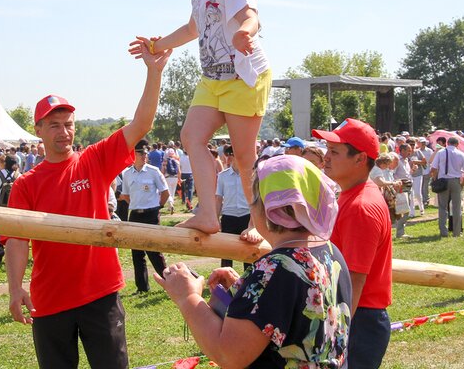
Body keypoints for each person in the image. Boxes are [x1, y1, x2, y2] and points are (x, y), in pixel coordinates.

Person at [2, 43, 170, 369]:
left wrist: (154, 71)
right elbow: (17, 240)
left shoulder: (93, 161)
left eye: (68, 124)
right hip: (50, 301)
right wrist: (14, 288)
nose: (64, 132)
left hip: (100, 293)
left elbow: (141, 125)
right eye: (54, 125)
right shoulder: (26, 184)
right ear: (38, 130)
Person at [131, 0, 271, 234]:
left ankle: (260, 224)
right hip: (212, 78)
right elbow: (191, 30)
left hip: (243, 76)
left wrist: (244, 32)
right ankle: (208, 214)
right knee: (191, 137)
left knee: (244, 156)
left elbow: (252, 16)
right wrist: (157, 45)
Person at [155, 154, 351, 368]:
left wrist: (187, 296)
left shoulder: (274, 269)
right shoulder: (330, 251)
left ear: (268, 208)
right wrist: (249, 290)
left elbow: (229, 355)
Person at [311, 119, 391, 368]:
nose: (325, 157)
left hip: (357, 318)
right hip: (354, 316)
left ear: (360, 159)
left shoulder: (361, 208)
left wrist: (337, 333)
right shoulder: (352, 194)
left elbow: (355, 279)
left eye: (334, 152)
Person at [119, 140, 169, 294]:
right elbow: (126, 196)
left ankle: (168, 282)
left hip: (151, 214)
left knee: (155, 252)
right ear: (133, 155)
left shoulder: (153, 171)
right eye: (140, 153)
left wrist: (157, 207)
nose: (144, 155)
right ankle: (142, 288)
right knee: (137, 253)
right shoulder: (127, 174)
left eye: (145, 153)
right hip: (135, 214)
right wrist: (136, 204)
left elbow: (165, 193)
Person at [215, 145, 251, 269]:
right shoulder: (222, 176)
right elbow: (218, 198)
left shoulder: (249, 175)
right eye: (230, 155)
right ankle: (225, 281)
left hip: (246, 215)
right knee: (226, 251)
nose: (231, 157)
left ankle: (248, 280)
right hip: (229, 216)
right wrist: (215, 218)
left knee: (248, 250)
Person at [429, 137, 464, 238]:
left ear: (447, 143)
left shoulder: (441, 153)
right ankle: (457, 232)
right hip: (456, 180)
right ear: (457, 144)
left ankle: (443, 231)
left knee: (443, 207)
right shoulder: (461, 154)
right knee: (456, 207)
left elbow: (433, 168)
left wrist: (435, 178)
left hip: (443, 180)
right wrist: (462, 184)